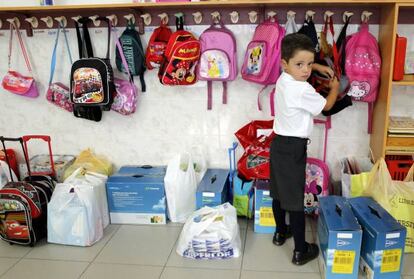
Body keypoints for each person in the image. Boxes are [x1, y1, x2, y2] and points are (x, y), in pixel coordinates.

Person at [269, 33, 339, 265]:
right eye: (301, 65)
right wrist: (335, 87)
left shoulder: (283, 79)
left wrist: (314, 63)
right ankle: (301, 250)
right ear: (286, 64)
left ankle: (281, 232)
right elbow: (327, 106)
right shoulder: (302, 89)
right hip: (293, 149)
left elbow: (299, 65)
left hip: (278, 143)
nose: (306, 70)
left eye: (309, 64)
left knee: (279, 193)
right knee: (295, 200)